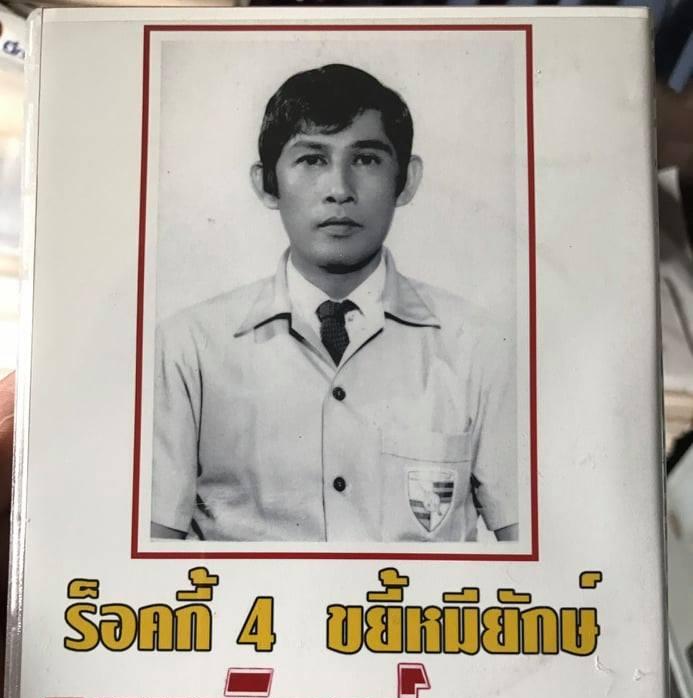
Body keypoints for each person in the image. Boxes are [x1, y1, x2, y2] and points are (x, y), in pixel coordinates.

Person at [151, 63, 518, 543]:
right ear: (266, 184)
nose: (340, 190)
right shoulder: (188, 349)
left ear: (406, 180)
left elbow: (534, 553)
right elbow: (148, 559)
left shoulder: (481, 348)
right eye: (311, 160)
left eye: (365, 159)